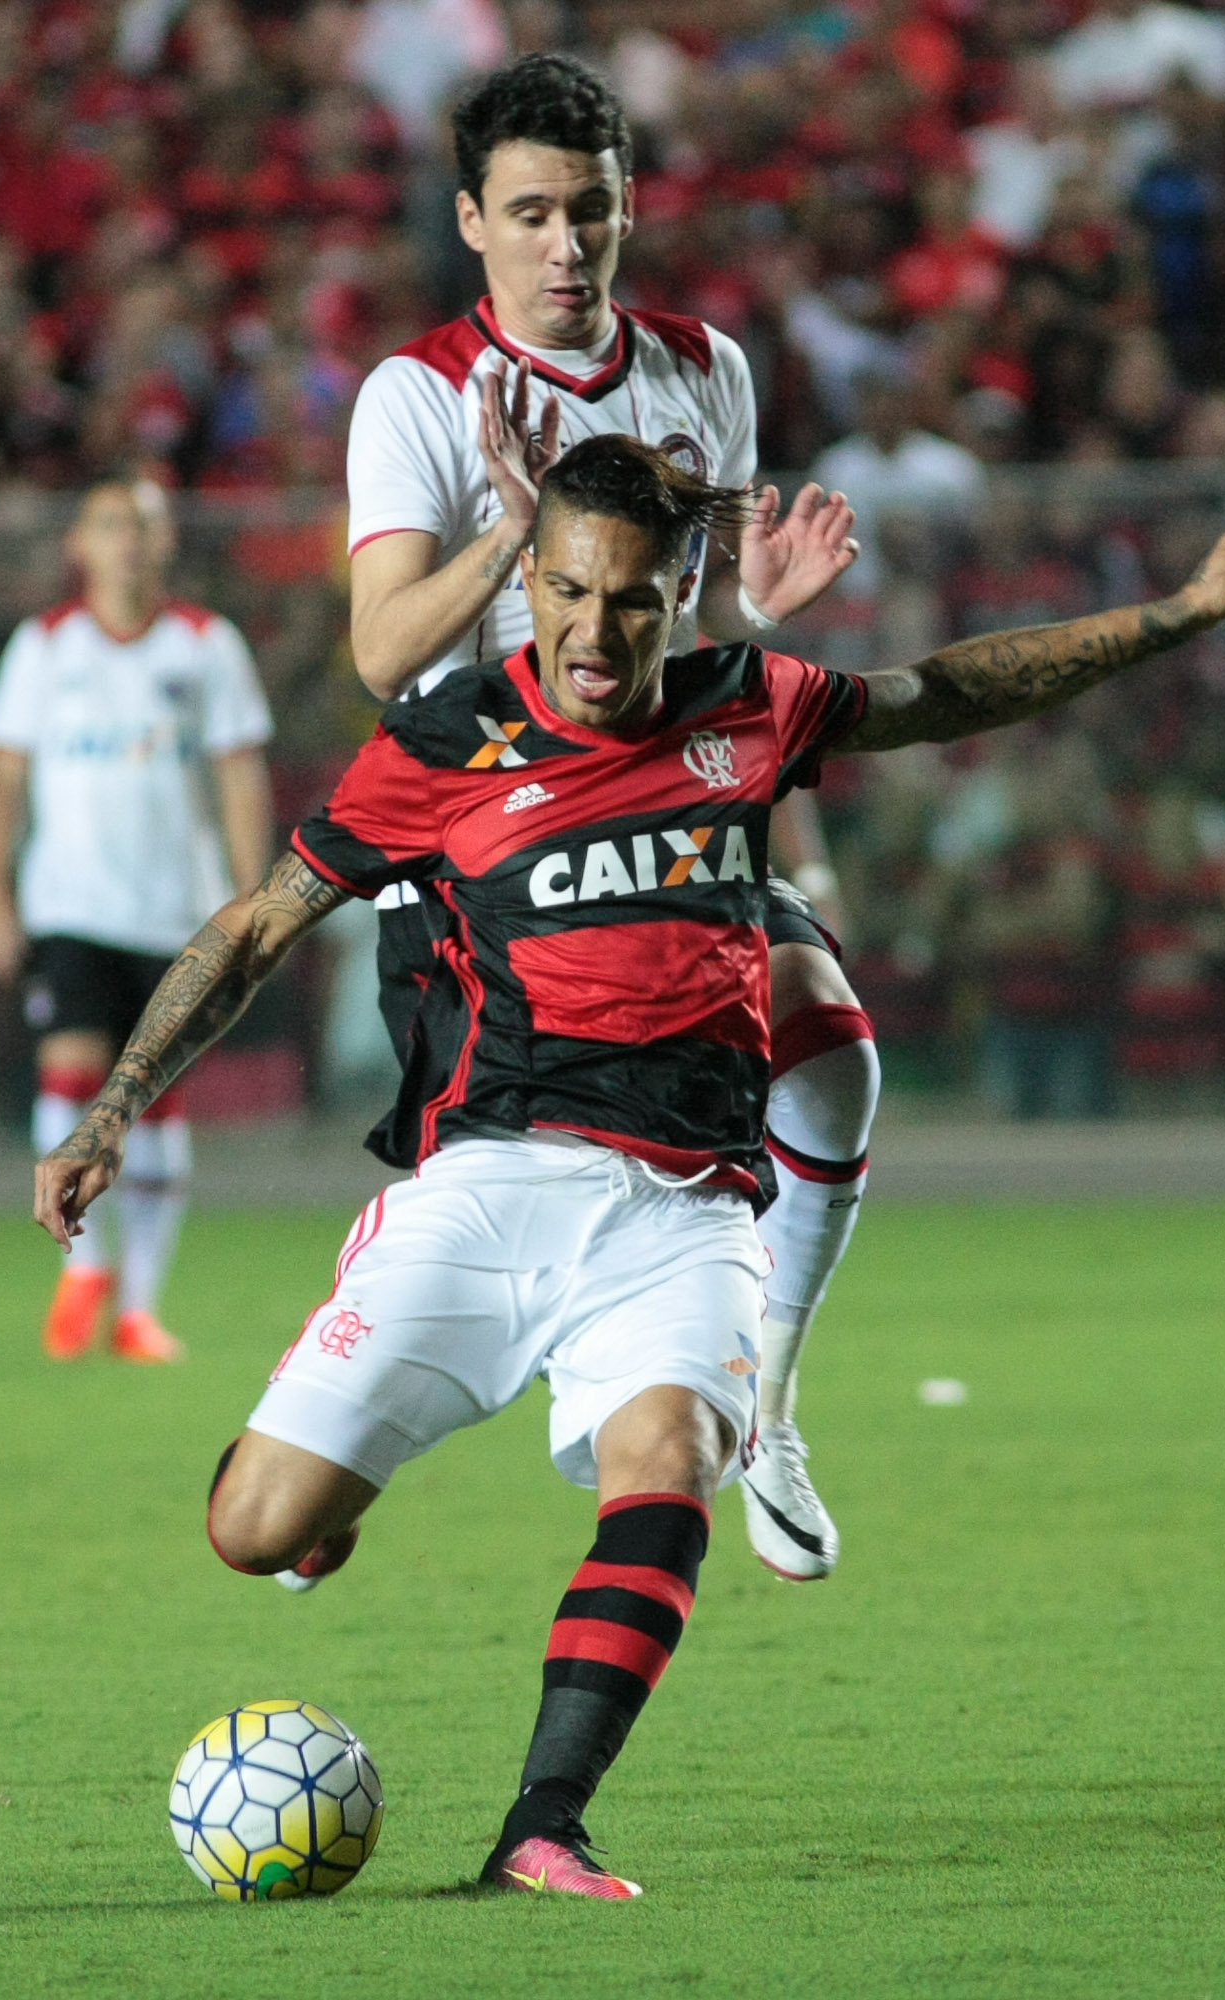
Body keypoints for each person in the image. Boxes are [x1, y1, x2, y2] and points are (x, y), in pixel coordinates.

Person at [33, 435, 1225, 1897]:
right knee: (248, 1529)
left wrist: (1187, 611)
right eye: (571, 592)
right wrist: (114, 1105)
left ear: (685, 591)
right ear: (529, 577)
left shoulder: (750, 705)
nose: (598, 632)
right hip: (489, 1186)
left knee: (670, 1467)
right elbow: (260, 923)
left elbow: (949, 690)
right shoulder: (447, 744)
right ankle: (328, 1515)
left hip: (687, 1211)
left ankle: (542, 1826)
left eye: (636, 601)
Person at [341, 52, 870, 1583]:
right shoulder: (418, 395)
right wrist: (513, 525)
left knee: (830, 1040)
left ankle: (764, 1400)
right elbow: (382, 653)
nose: (566, 248)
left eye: (592, 213)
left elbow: (694, 634)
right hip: (477, 862)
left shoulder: (706, 368)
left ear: (629, 209)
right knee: (481, 1206)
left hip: (659, 821)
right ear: (470, 222)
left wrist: (766, 607)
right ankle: (333, 1438)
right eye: (531, 215)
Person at [0, 479, 274, 1363]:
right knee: (68, 1069)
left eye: (143, 525)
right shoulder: (46, 645)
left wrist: (255, 898)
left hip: (178, 908)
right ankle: (85, 1268)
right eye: (111, 523)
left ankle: (140, 1308)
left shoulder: (206, 645)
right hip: (71, 902)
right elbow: (3, 779)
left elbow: (239, 772)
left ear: (167, 542)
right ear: (81, 542)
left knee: (158, 1101)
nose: (130, 541)